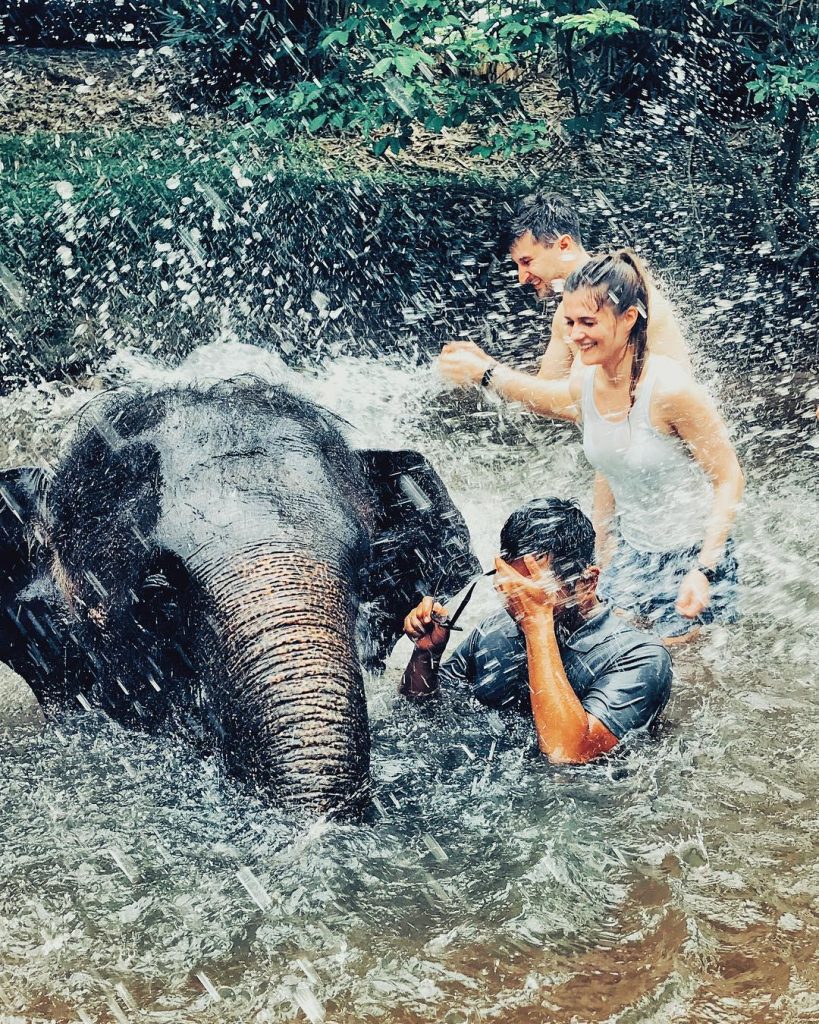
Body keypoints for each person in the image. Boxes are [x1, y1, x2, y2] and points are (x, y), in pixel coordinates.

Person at [438, 249, 744, 642]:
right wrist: (602, 556)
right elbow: (609, 466)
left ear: (628, 318)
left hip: (692, 556)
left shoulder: (670, 390)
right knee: (596, 647)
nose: (575, 335)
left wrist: (704, 569)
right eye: (568, 322)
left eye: (587, 322)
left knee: (680, 671)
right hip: (634, 555)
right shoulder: (586, 383)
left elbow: (729, 478)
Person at [400, 498, 672, 764]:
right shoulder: (494, 630)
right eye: (514, 590)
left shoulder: (640, 657)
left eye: (535, 592)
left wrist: (538, 626)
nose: (519, 606)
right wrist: (426, 655)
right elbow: (424, 712)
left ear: (587, 583)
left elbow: (568, 753)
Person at [506, 192, 692, 380]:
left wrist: (491, 374)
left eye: (527, 261)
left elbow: (584, 395)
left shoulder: (616, 293)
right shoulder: (566, 313)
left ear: (563, 245)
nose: (522, 278)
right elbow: (544, 395)